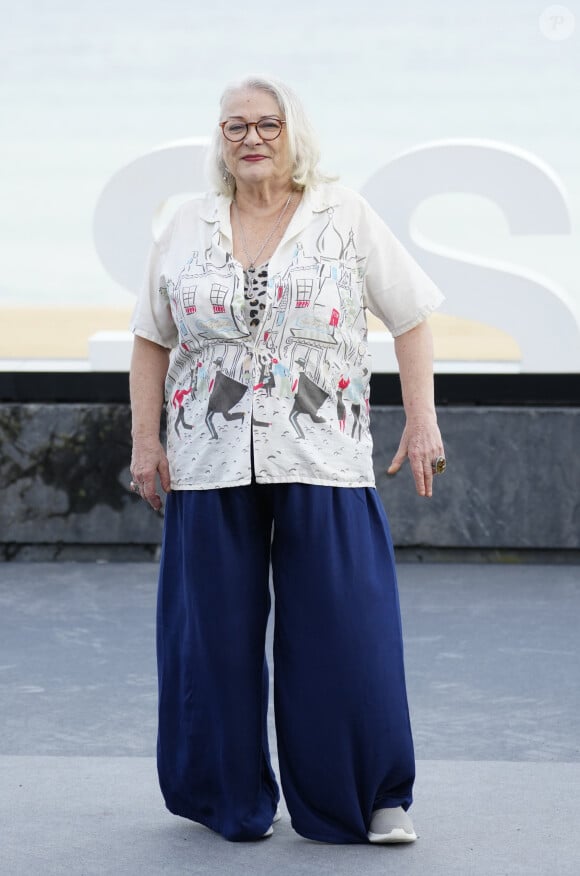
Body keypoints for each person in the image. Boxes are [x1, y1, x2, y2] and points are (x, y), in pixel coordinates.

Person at [129, 75, 446, 845]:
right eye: (235, 127)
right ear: (220, 139)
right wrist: (146, 442)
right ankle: (225, 796)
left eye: (266, 125)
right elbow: (150, 337)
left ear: (293, 133)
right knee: (211, 634)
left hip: (322, 449)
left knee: (346, 628)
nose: (251, 139)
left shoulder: (345, 215)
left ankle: (372, 797)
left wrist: (423, 420)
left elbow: (411, 315)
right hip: (208, 456)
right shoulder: (185, 224)